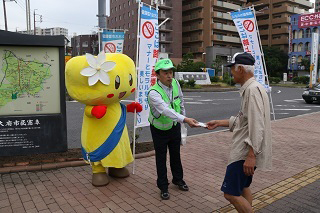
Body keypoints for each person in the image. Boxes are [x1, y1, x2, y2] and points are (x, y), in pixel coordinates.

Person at [206, 52, 272, 212]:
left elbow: (257, 125)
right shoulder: (252, 88)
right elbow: (244, 121)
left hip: (244, 152)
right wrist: (220, 122)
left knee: (229, 193)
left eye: (232, 69)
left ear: (241, 69)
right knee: (242, 188)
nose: (231, 72)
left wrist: (251, 155)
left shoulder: (252, 91)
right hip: (247, 150)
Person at [148, 58, 199, 200]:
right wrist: (185, 120)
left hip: (174, 126)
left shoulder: (175, 83)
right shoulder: (154, 92)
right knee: (161, 157)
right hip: (159, 129)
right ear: (158, 75)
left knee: (176, 154)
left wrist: (183, 120)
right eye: (165, 73)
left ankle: (178, 179)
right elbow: (165, 110)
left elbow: (180, 101)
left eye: (171, 72)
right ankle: (163, 186)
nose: (169, 75)